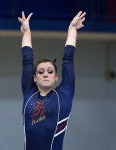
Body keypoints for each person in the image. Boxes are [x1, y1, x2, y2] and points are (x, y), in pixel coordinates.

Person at [18, 11, 86, 150]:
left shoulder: (64, 93)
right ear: (34, 78)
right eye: (41, 72)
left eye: (50, 71)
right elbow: (27, 61)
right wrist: (26, 32)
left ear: (56, 77)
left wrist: (72, 29)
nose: (45, 74)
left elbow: (68, 60)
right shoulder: (29, 93)